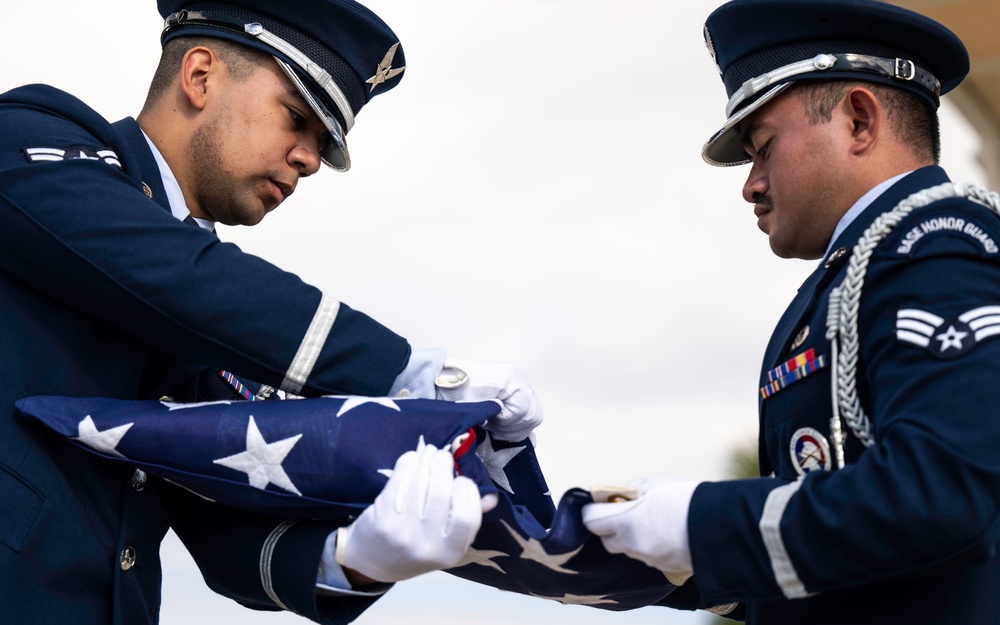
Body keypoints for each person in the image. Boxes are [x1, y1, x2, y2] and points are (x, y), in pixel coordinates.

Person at [0, 1, 542, 623]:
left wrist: (360, 556)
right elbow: (174, 275)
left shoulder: (211, 327)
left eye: (322, 143)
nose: (309, 159)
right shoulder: (27, 135)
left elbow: (229, 513)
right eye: (297, 118)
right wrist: (405, 373)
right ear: (200, 75)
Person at [582, 0, 1000, 622]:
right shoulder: (858, 271)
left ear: (859, 120)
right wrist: (589, 540)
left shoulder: (936, 244)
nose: (751, 183)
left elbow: (942, 496)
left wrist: (698, 524)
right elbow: (835, 546)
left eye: (763, 147)